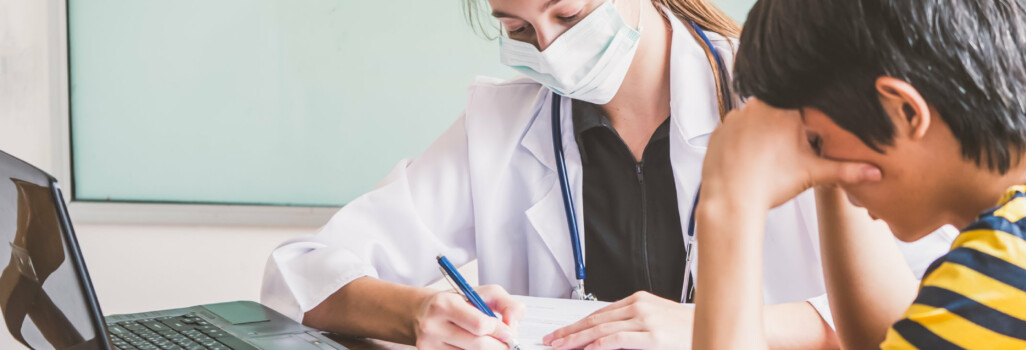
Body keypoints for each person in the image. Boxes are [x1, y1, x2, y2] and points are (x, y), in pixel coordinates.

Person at [261, 0, 955, 349]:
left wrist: (700, 326)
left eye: (570, 13)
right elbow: (303, 270)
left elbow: (922, 308)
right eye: (521, 29)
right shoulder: (504, 123)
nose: (554, 50)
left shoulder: (795, 97)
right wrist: (418, 312)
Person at [692, 0, 1026, 348]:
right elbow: (894, 340)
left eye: (817, 142)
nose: (827, 167)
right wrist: (832, 170)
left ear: (907, 113)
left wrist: (728, 202)